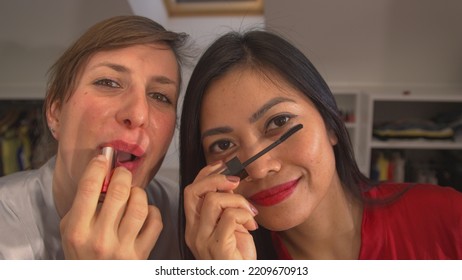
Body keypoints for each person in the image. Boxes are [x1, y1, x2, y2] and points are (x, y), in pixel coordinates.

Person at [179, 30, 462, 260]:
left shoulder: (449, 217)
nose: (259, 168)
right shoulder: (228, 259)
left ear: (330, 123)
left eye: (278, 122)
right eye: (224, 144)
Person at [0, 15, 189, 259]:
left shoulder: (185, 225)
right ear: (56, 113)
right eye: (109, 82)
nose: (138, 113)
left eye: (160, 96)